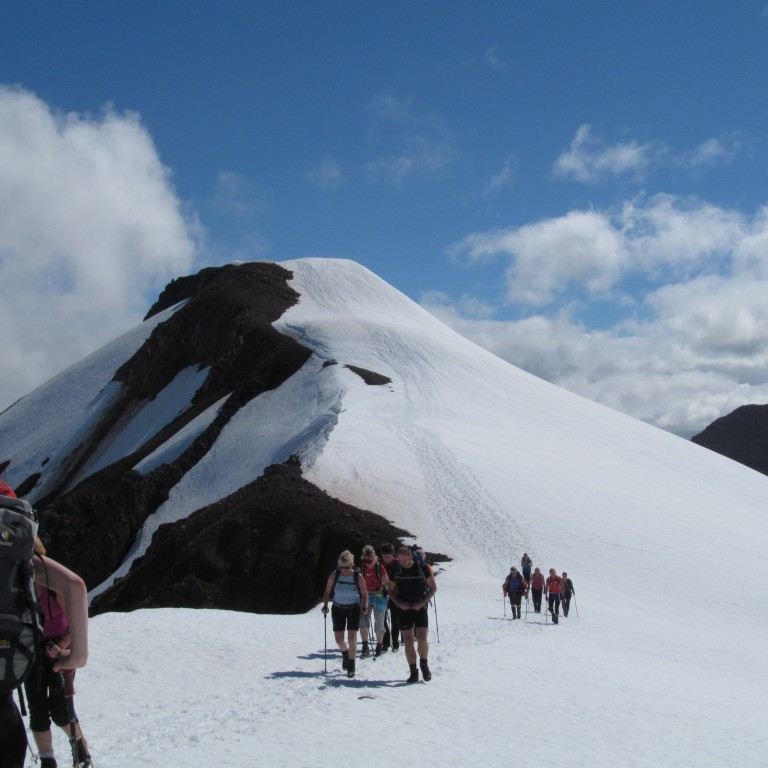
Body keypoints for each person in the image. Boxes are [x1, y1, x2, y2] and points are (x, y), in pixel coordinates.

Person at [0, 479, 89, 768]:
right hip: (22, 653)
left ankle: (73, 748)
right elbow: (75, 586)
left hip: (43, 648)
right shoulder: (26, 568)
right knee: (43, 708)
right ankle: (57, 757)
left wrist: (62, 645)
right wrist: (76, 654)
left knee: (54, 710)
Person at [25, 538, 91, 768]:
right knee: (38, 710)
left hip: (55, 647)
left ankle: (78, 746)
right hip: (33, 647)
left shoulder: (50, 584)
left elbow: (75, 621)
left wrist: (63, 645)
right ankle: (50, 760)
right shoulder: (22, 580)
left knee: (60, 710)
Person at [389, 546, 437, 683]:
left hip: (420, 607)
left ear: (410, 556)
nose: (402, 562)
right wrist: (399, 603)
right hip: (404, 608)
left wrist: (421, 603)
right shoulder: (396, 570)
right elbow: (390, 590)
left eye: (405, 560)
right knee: (408, 641)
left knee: (422, 638)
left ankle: (424, 664)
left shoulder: (422, 567)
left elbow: (433, 588)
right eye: (400, 560)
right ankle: (413, 671)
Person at [321, 550, 368, 678]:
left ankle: (351, 665)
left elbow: (364, 594)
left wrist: (365, 606)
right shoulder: (334, 575)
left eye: (347, 567)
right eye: (342, 567)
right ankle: (345, 654)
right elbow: (327, 592)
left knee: (352, 638)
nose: (345, 570)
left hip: (353, 608)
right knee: (339, 639)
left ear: (352, 564)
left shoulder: (358, 577)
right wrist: (325, 605)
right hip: (337, 608)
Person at [358, 545, 389, 657]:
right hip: (366, 596)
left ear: (374, 558)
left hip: (379, 597)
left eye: (369, 560)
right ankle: (365, 645)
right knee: (363, 621)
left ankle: (379, 646)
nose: (367, 563)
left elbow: (386, 582)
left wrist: (383, 589)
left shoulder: (379, 568)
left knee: (379, 622)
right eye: (365, 560)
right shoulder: (362, 568)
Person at [379, 543, 400, 652]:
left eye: (389, 556)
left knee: (396, 619)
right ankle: (386, 641)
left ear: (393, 555)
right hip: (382, 595)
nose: (386, 559)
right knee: (382, 619)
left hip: (396, 595)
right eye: (384, 556)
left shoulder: (398, 565)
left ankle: (395, 641)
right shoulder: (379, 566)